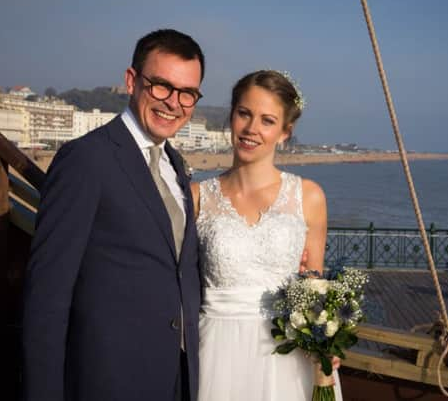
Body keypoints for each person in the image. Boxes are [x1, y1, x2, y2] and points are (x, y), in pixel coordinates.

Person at [22, 29, 204, 401]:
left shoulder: (176, 166)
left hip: (176, 378)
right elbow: (46, 295)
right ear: (131, 81)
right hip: (105, 380)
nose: (173, 103)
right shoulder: (86, 159)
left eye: (187, 93)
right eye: (161, 86)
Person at [192, 70, 343, 400]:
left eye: (267, 120)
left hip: (289, 359)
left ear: (285, 132)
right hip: (217, 352)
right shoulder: (196, 197)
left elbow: (314, 286)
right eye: (244, 113)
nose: (251, 129)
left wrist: (324, 348)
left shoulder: (310, 196)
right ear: (232, 116)